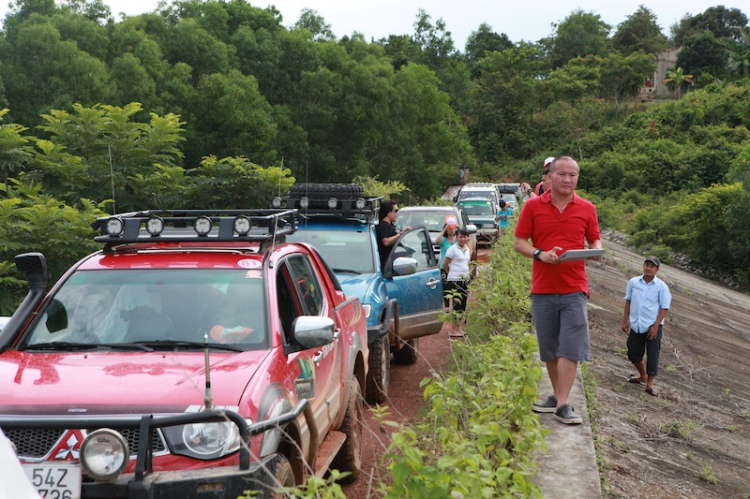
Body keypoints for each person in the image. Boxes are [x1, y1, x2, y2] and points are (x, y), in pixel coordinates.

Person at [513, 156, 603, 425]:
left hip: (575, 288)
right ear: (549, 176)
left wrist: (595, 250)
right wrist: (539, 254)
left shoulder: (587, 208)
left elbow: (594, 238)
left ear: (577, 178)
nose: (567, 179)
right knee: (550, 348)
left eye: (573, 175)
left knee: (570, 347)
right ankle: (556, 395)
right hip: (542, 288)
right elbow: (519, 242)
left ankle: (563, 404)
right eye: (562, 174)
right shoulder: (532, 207)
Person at [621, 255, 671, 397]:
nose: (648, 268)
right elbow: (628, 301)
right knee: (633, 353)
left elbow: (664, 307)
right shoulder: (633, 282)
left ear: (657, 269)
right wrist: (625, 320)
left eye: (652, 266)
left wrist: (656, 326)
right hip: (637, 323)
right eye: (646, 265)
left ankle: (649, 385)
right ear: (643, 266)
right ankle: (642, 375)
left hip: (652, 326)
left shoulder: (661, 287)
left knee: (653, 354)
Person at [443, 228, 472, 338]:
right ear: (457, 237)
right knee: (456, 304)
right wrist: (451, 274)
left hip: (465, 279)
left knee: (463, 304)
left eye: (465, 236)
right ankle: (452, 329)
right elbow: (445, 264)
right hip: (455, 280)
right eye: (461, 237)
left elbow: (467, 263)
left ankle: (458, 328)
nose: (463, 239)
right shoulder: (452, 249)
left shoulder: (467, 249)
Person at [376, 200, 410, 269]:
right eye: (395, 211)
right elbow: (386, 242)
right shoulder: (383, 226)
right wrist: (401, 233)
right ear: (388, 212)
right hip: (388, 265)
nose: (397, 214)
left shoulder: (390, 225)